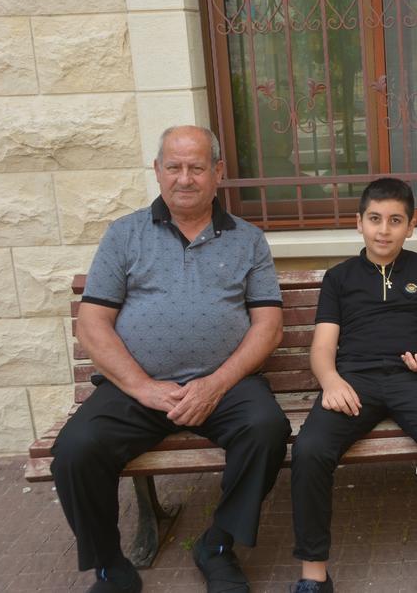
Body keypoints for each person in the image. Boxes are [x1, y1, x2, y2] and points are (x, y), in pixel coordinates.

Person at [52, 125, 290, 593]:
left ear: (218, 172)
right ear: (157, 171)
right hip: (138, 386)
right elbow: (93, 323)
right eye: (174, 167)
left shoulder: (247, 240)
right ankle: (111, 567)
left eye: (196, 167)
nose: (185, 178)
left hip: (225, 385)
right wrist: (143, 387)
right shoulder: (124, 235)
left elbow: (269, 327)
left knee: (266, 429)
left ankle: (217, 546)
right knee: (76, 450)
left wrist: (216, 384)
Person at [289, 178, 417, 593]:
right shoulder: (339, 278)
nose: (383, 230)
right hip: (354, 382)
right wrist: (331, 381)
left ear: (411, 226)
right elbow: (322, 347)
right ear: (359, 222)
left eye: (395, 220)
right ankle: (313, 575)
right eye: (374, 219)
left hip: (416, 381)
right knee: (309, 450)